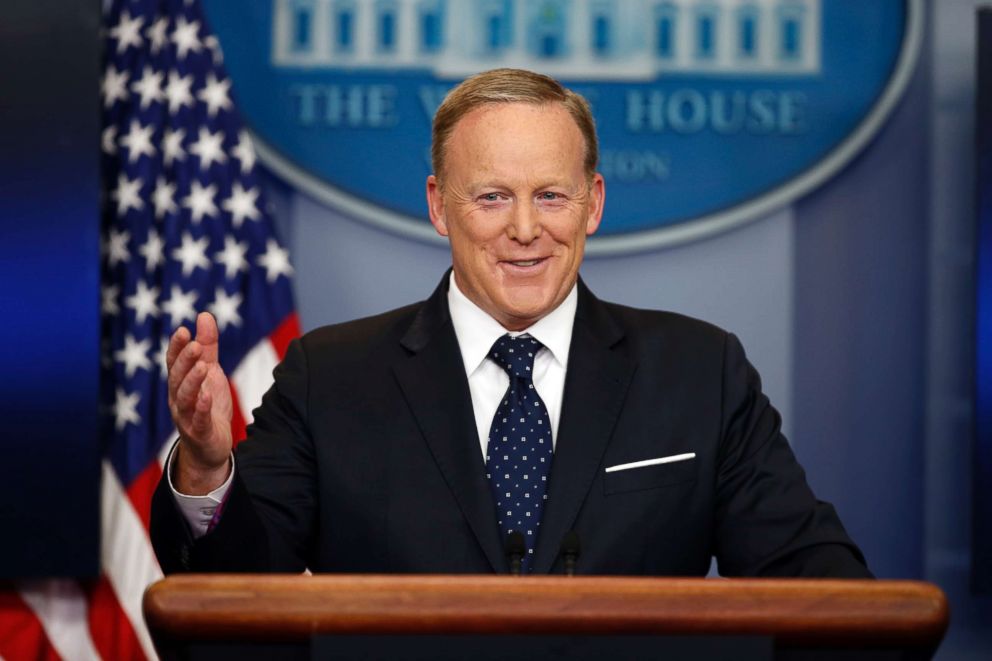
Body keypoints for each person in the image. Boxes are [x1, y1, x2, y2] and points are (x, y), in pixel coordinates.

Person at [151, 68, 870, 578]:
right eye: (492, 196)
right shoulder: (329, 377)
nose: (525, 229)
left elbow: (813, 580)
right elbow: (238, 592)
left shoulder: (699, 372)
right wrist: (210, 469)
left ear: (593, 205)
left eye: (551, 195)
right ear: (439, 206)